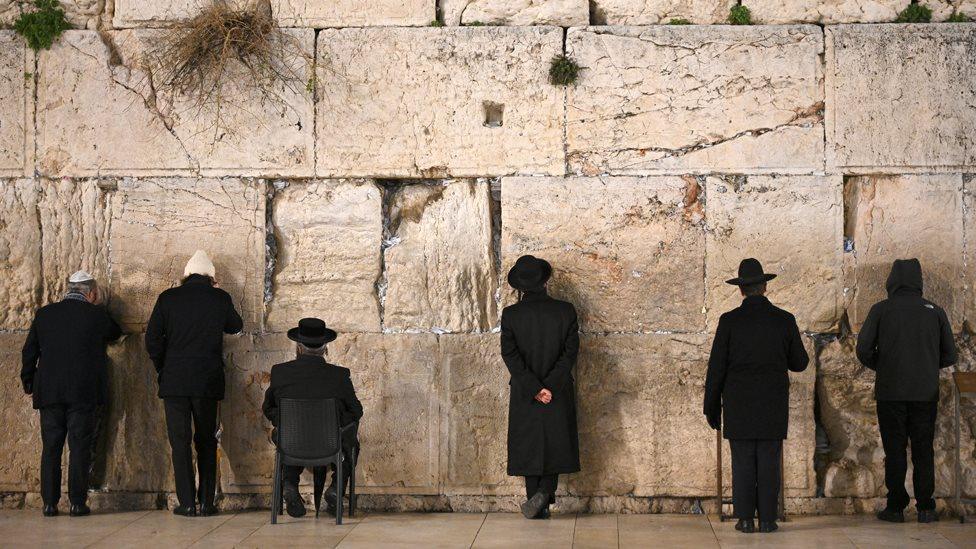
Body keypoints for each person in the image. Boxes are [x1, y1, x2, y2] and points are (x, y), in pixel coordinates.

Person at [704, 258, 808, 534]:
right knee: (769, 460)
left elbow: (716, 368)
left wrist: (711, 406)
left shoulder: (728, 322)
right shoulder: (784, 320)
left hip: (738, 403)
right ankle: (768, 520)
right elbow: (800, 362)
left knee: (743, 461)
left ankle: (746, 519)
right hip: (772, 402)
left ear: (741, 290)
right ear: (764, 286)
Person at [855, 258, 957, 524]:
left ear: (893, 280)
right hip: (925, 392)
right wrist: (926, 367)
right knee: (924, 449)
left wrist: (884, 367)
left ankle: (896, 507)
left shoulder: (881, 310)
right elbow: (950, 354)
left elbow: (863, 349)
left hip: (891, 392)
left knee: (895, 450)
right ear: (918, 281)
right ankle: (925, 507)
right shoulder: (935, 311)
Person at [145, 250, 243, 517]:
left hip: (174, 382)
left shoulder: (167, 298)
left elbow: (152, 340)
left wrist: (163, 367)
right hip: (206, 381)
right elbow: (236, 326)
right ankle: (207, 502)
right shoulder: (219, 298)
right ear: (211, 277)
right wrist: (219, 293)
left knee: (180, 442)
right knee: (206, 442)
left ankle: (187, 503)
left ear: (185, 276)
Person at [21, 270, 122, 517]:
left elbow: (29, 351)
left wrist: (29, 381)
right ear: (92, 293)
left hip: (50, 391)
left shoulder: (44, 314)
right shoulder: (96, 315)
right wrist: (98, 307)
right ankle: (77, 503)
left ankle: (49, 504)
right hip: (82, 391)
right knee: (79, 446)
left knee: (51, 448)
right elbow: (115, 333)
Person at [501, 255, 580, 519]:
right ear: (545, 281)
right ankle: (544, 494)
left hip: (525, 391)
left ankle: (537, 499)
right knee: (555, 441)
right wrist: (550, 387)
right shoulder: (565, 311)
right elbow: (569, 354)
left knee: (529, 442)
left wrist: (534, 388)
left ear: (520, 287)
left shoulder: (511, 315)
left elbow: (510, 355)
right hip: (557, 390)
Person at [262, 318, 362, 518]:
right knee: (352, 443)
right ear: (325, 348)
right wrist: (336, 423)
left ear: (298, 347)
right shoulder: (339, 375)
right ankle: (336, 488)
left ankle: (290, 484)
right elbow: (356, 411)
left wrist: (285, 421)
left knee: (289, 434)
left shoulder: (280, 372)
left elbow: (268, 408)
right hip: (330, 443)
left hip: (291, 443)